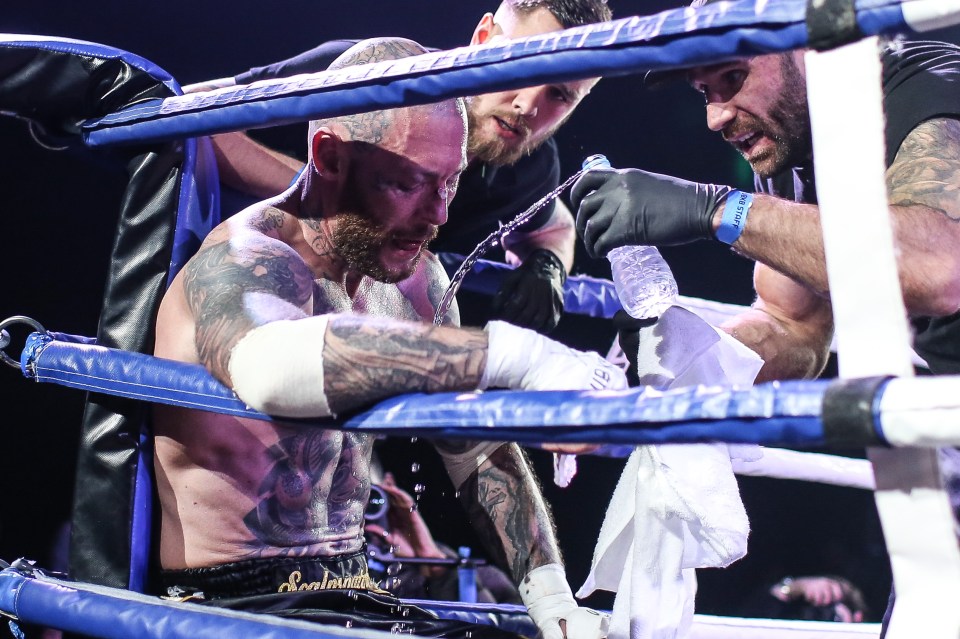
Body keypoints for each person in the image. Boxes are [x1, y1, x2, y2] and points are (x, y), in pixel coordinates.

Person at [153, 37, 623, 639]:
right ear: (328, 158)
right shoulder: (241, 262)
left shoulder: (415, 282)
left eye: (449, 184)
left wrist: (553, 603)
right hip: (234, 609)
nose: (439, 216)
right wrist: (518, 357)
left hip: (358, 589)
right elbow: (271, 370)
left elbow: (474, 448)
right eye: (409, 183)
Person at [184, 0, 613, 333]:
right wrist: (331, 187)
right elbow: (182, 112)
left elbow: (552, 224)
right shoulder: (375, 73)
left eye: (559, 94)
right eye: (521, 66)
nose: (526, 104)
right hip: (216, 291)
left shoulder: (530, 165)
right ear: (483, 36)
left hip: (345, 337)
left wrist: (548, 266)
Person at [572, 36, 960, 384]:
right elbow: (792, 323)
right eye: (705, 91)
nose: (715, 117)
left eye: (733, 77)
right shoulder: (792, 143)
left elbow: (940, 269)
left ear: (810, 45)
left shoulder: (926, 86)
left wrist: (717, 209)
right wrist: (690, 362)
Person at [363, 471, 521, 605]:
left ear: (389, 489)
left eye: (368, 496)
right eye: (338, 495)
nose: (353, 509)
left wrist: (435, 564)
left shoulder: (479, 577)